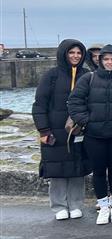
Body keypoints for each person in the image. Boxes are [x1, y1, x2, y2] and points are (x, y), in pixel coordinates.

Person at [68, 45, 112, 225]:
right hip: (94, 135)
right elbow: (75, 101)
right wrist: (86, 121)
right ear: (100, 60)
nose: (109, 62)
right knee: (98, 171)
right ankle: (103, 205)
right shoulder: (88, 79)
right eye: (106, 59)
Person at [32, 39, 91, 220]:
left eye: (79, 53)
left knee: (77, 167)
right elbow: (39, 104)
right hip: (54, 129)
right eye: (71, 52)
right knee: (56, 168)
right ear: (64, 54)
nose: (75, 56)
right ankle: (59, 206)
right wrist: (43, 130)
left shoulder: (87, 75)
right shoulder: (51, 75)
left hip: (79, 129)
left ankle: (76, 204)